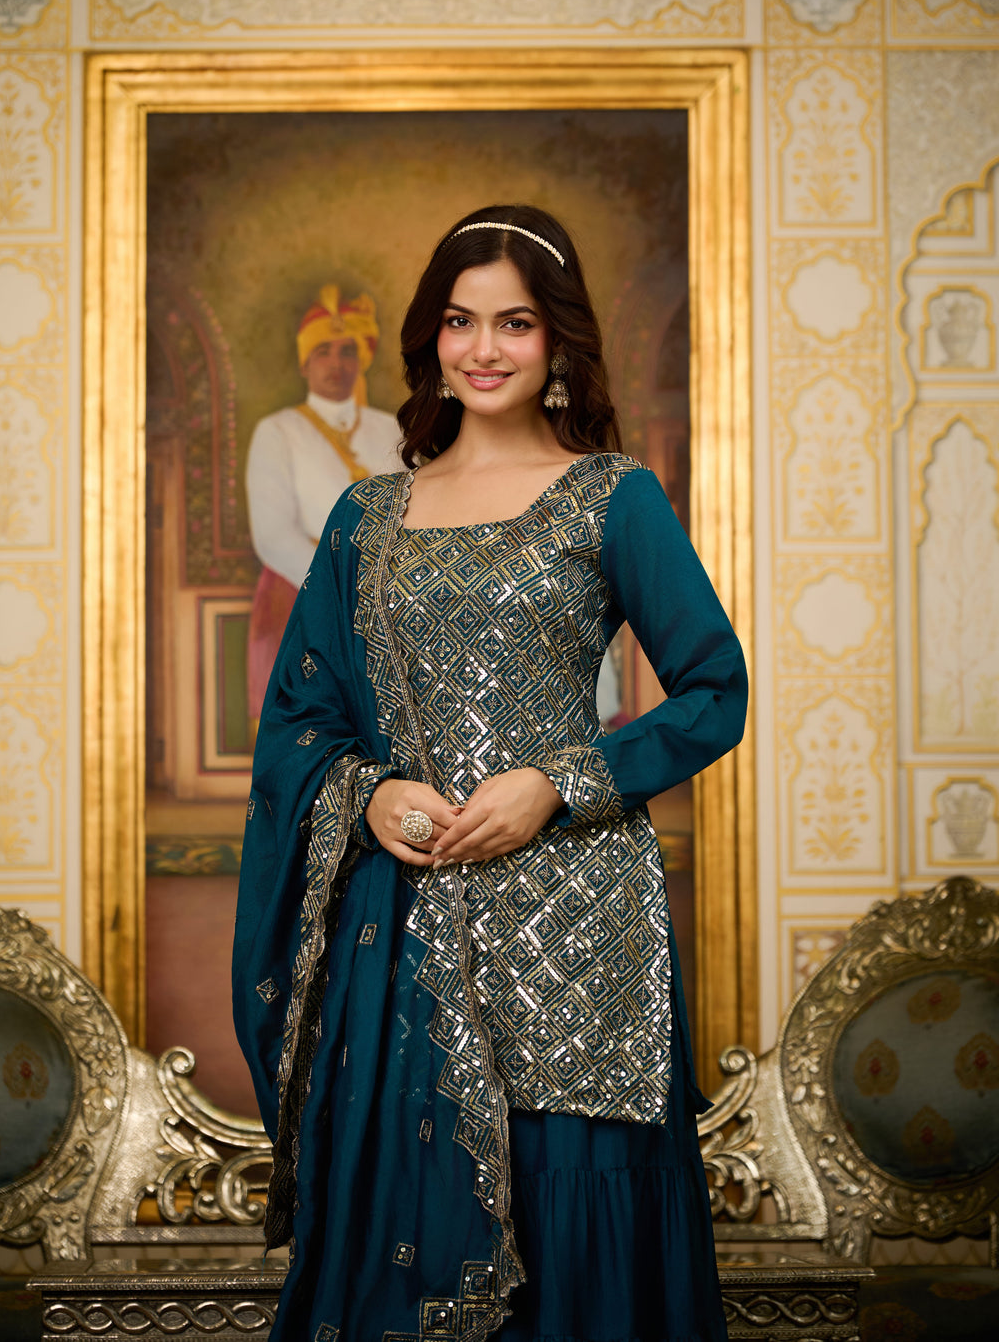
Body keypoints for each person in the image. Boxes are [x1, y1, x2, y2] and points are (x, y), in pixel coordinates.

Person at [233, 206, 747, 1341]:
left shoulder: (613, 498)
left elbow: (716, 690)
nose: (484, 347)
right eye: (461, 321)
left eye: (514, 322)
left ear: (557, 341)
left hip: (573, 928)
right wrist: (368, 796)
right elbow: (300, 720)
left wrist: (557, 783)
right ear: (429, 339)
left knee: (574, 1218)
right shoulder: (367, 519)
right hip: (401, 922)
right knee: (393, 1213)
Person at [244, 285, 401, 735]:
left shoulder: (389, 428)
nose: (336, 364)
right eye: (324, 352)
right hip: (301, 594)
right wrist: (343, 587)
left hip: (385, 595)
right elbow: (274, 535)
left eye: (347, 350)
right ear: (305, 362)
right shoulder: (278, 432)